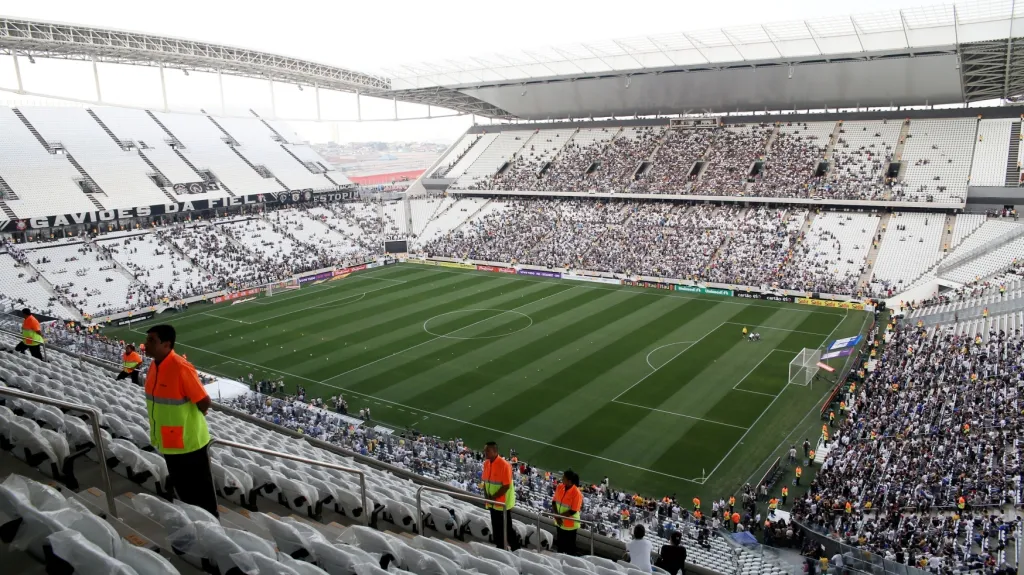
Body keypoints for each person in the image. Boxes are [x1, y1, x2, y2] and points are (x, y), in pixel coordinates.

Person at [143, 325, 218, 517]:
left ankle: (212, 527)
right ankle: (194, 523)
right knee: (184, 491)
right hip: (169, 442)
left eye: (152, 341)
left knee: (201, 494)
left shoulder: (180, 367)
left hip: (190, 443)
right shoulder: (154, 365)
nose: (145, 344)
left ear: (166, 344)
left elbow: (204, 401)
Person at [482, 441, 518, 550]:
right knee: (496, 529)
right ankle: (500, 549)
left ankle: (516, 550)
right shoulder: (486, 463)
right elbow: (485, 481)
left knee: (507, 529)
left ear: (495, 451)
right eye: (485, 450)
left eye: (487, 451)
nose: (485, 452)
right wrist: (487, 495)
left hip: (502, 504)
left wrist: (493, 497)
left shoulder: (505, 465)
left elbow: (506, 486)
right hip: (492, 503)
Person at [552, 469, 583, 556]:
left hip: (570, 525)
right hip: (559, 522)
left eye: (564, 478)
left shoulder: (576, 493)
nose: (562, 479)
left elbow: (573, 510)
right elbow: (554, 502)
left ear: (569, 481)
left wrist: (559, 517)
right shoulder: (559, 487)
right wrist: (557, 516)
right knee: (560, 546)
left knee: (570, 549)